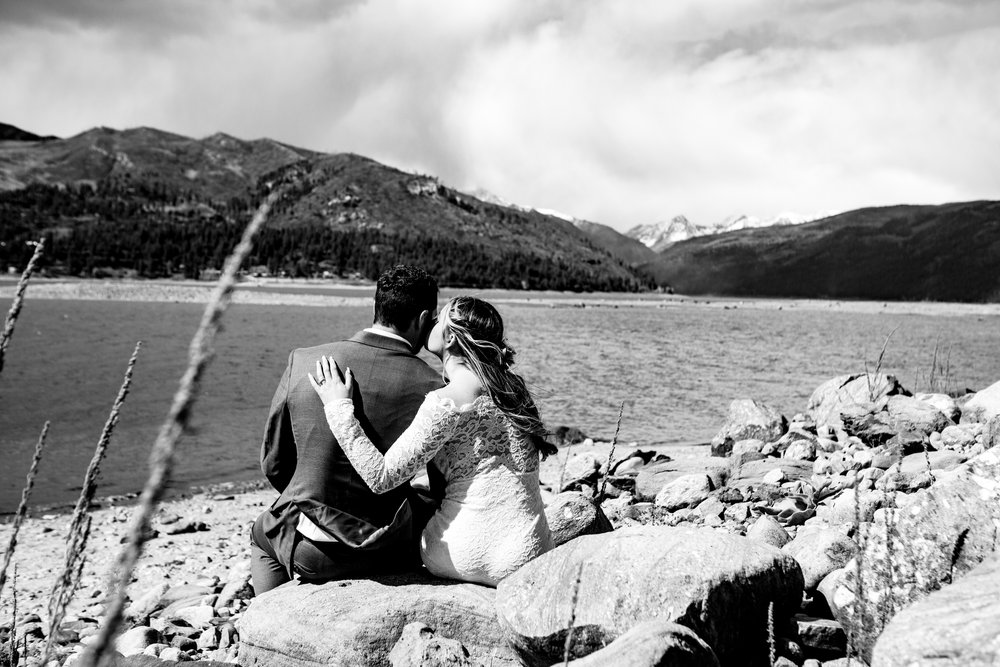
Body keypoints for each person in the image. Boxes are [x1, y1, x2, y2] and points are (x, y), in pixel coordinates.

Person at [309, 296, 556, 586]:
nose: (432, 322)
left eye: (439, 319)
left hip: (463, 553)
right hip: (531, 552)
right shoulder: (514, 391)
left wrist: (338, 408)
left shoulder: (445, 402)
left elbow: (381, 477)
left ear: (450, 336)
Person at [251, 265, 443, 594]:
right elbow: (441, 483)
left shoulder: (305, 360)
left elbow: (274, 464)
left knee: (261, 533)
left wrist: (314, 496)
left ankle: (265, 615)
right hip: (390, 546)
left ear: (377, 307)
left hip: (314, 550)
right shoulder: (434, 385)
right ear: (425, 319)